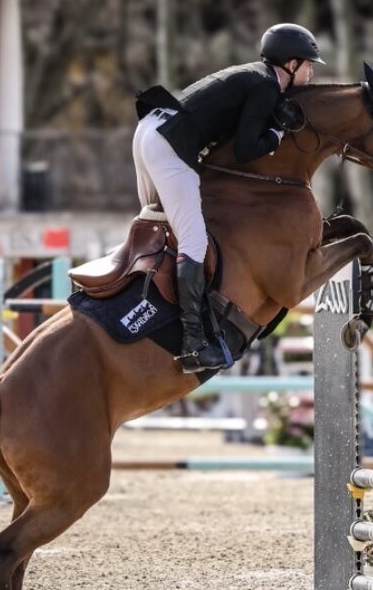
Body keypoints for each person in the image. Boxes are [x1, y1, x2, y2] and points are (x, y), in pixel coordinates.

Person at [132, 23, 325, 373]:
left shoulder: (256, 76)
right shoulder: (267, 84)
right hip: (168, 142)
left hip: (150, 128)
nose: (311, 73)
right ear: (292, 64)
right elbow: (247, 148)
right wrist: (278, 132)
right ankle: (192, 343)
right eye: (309, 65)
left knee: (161, 225)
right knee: (192, 239)